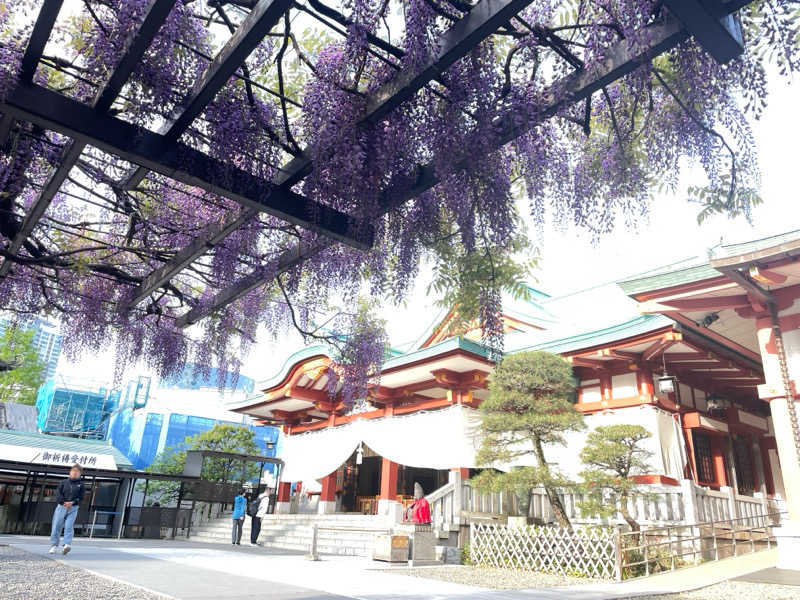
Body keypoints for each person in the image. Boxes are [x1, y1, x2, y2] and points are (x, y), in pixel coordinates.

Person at [49, 463, 86, 555]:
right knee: (56, 526)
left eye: (77, 472)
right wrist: (63, 502)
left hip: (73, 507)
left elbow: (81, 497)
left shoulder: (81, 485)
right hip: (62, 506)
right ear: (70, 472)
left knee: (69, 526)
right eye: (73, 471)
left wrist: (72, 502)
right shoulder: (63, 482)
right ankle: (54, 545)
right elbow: (58, 494)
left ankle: (66, 544)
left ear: (80, 474)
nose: (75, 473)